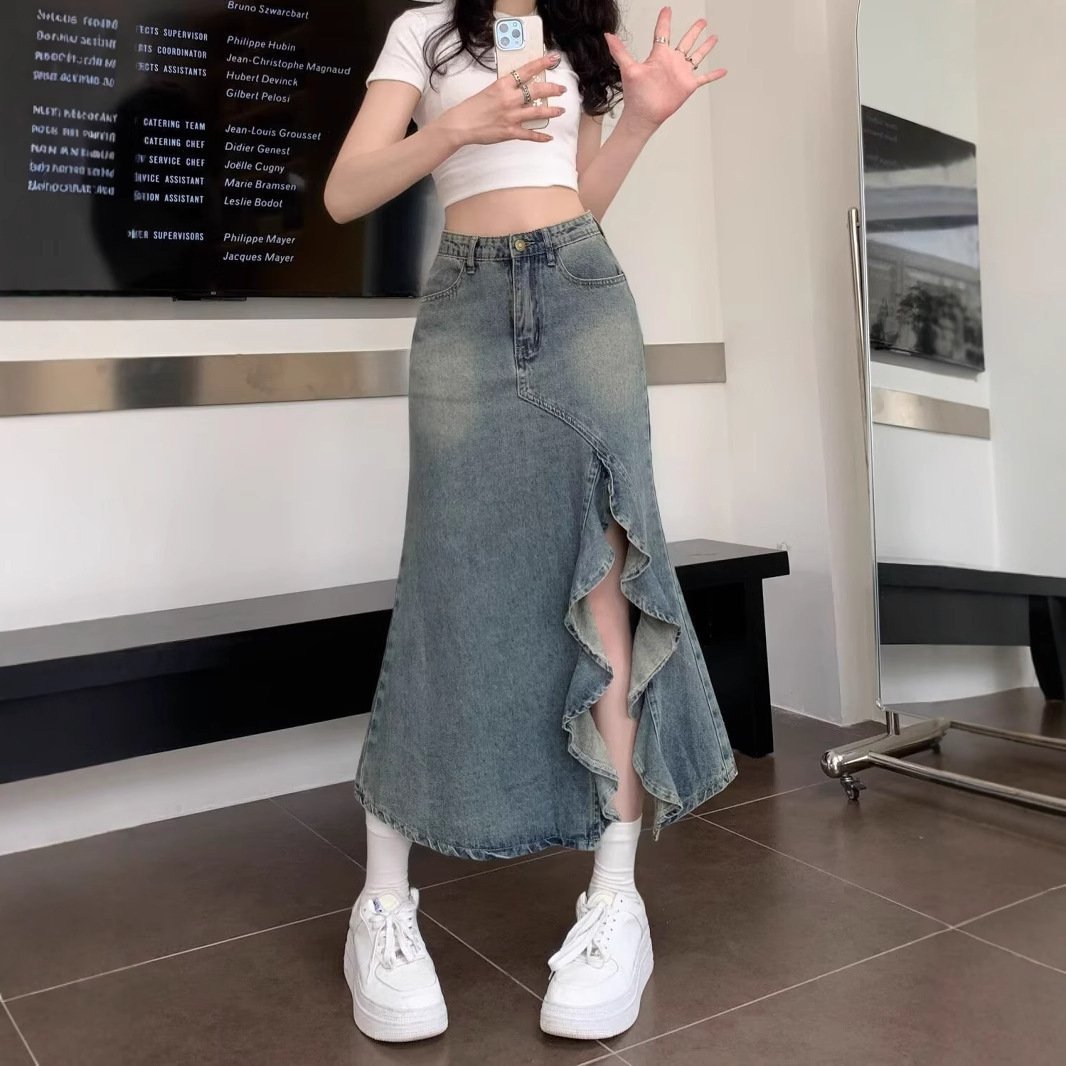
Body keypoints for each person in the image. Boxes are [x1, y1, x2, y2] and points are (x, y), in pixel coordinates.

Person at [324, 0, 736, 1044]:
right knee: (443, 586)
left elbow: (579, 195)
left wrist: (640, 120)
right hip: (464, 309)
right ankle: (382, 903)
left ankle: (616, 896)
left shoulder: (581, 32)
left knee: (607, 583)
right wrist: (459, 126)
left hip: (583, 294)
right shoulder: (424, 31)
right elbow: (345, 191)